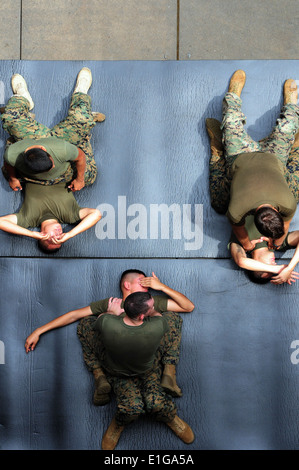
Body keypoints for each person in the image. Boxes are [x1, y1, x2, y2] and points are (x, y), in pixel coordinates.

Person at [25, 270, 194, 403]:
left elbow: (188, 307)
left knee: (172, 318)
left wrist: (162, 287)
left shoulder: (149, 302)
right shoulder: (111, 303)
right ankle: (100, 376)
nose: (147, 285)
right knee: (86, 323)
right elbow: (73, 315)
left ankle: (169, 372)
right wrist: (39, 330)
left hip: (148, 359)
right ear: (127, 285)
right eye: (142, 282)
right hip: (117, 363)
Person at [0, 68, 104, 251]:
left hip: (34, 164)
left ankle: (22, 99)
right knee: (88, 174)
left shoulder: (28, 218)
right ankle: (81, 98)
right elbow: (96, 214)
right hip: (65, 166)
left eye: (50, 239)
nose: (56, 236)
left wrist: (31, 233)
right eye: (60, 240)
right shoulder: (70, 216)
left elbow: (1, 222)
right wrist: (70, 234)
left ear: (41, 237)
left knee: (10, 120)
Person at [206, 84, 299, 284]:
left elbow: (242, 262)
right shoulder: (279, 244)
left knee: (219, 203)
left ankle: (217, 150)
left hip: (240, 159)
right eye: (273, 271)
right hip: (274, 160)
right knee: (293, 195)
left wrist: (277, 269)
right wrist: (288, 267)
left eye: (266, 271)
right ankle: (293, 124)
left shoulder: (241, 246)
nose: (273, 267)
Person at [96, 292, 194, 450]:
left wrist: (112, 313)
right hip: (131, 372)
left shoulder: (107, 323)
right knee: (132, 408)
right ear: (142, 317)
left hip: (120, 365)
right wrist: (154, 309)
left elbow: (100, 318)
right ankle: (119, 422)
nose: (154, 307)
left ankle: (168, 416)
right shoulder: (157, 325)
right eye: (151, 306)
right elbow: (182, 309)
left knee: (156, 404)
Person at [220, 70, 299, 252]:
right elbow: (244, 235)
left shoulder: (287, 205)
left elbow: (282, 229)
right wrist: (270, 244)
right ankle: (291, 103)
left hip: (239, 154)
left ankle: (233, 93)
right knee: (288, 128)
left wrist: (258, 244)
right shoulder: (238, 211)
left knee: (231, 121)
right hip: (274, 156)